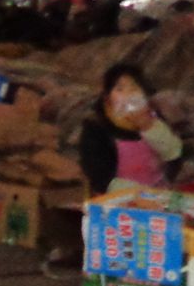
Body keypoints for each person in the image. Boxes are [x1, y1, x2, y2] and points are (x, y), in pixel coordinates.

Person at [78, 64, 184, 195]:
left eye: (134, 88)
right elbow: (100, 178)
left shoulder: (153, 117)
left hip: (160, 194)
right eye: (119, 89)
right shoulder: (96, 128)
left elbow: (174, 154)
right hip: (117, 200)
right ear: (107, 96)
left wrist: (149, 127)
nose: (128, 95)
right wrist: (142, 194)